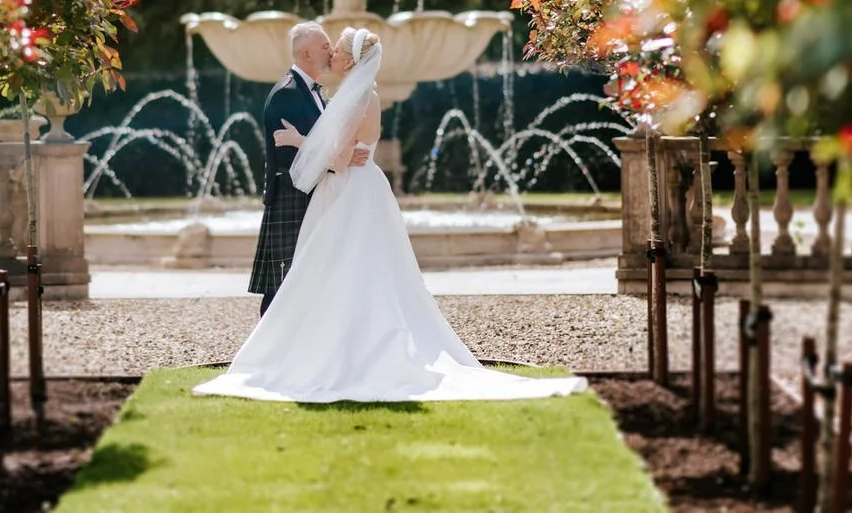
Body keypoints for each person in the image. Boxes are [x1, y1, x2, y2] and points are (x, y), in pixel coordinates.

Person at [197, 27, 587, 403]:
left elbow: (338, 158)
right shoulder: (355, 92)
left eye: (339, 50)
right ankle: (331, 343)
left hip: (350, 189)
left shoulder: (361, 96)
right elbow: (345, 153)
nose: (333, 54)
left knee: (345, 269)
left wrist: (300, 141)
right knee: (342, 269)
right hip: (351, 187)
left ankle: (350, 350)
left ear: (351, 61)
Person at [247, 21, 368, 315]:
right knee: (282, 285)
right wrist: (339, 158)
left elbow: (319, 145)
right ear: (306, 55)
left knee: (305, 282)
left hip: (311, 195)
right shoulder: (287, 93)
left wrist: (341, 154)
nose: (331, 51)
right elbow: (294, 157)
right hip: (293, 196)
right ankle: (266, 353)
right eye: (325, 46)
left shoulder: (312, 91)